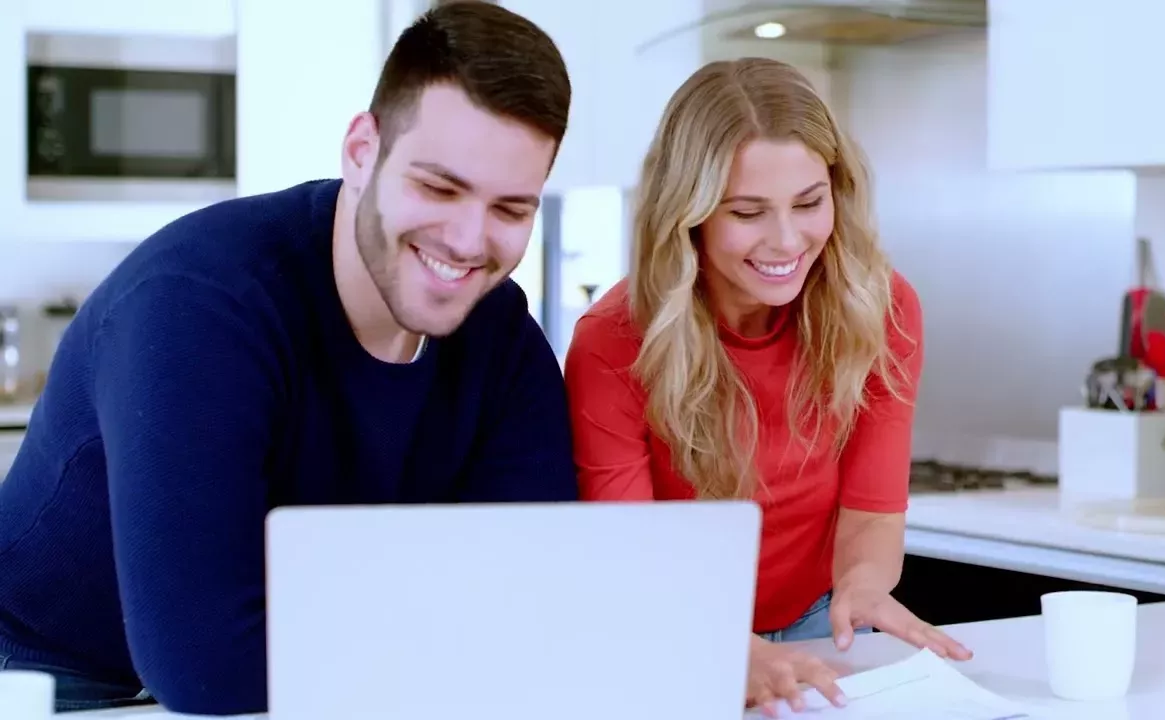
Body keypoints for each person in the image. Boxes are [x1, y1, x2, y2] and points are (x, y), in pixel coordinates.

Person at [0, 3, 576, 715]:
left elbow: (532, 594)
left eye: (510, 209)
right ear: (362, 151)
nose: (467, 239)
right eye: (438, 187)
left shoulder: (503, 341)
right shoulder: (201, 303)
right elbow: (209, 667)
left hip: (282, 678)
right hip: (51, 672)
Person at [563, 57, 972, 717]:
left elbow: (871, 511)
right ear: (687, 213)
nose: (788, 239)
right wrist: (725, 643)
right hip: (672, 629)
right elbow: (629, 555)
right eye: (748, 212)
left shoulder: (882, 309)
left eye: (809, 203)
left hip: (821, 626)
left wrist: (863, 585)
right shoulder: (611, 342)